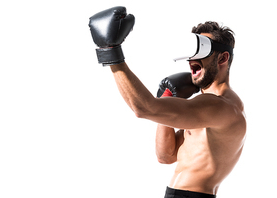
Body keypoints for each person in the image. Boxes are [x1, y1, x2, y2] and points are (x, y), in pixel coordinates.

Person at [89, 7, 246, 198]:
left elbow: (143, 108)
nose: (191, 59)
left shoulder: (222, 107)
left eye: (201, 50)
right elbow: (166, 155)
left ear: (223, 57)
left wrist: (110, 53)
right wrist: (168, 97)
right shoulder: (203, 107)